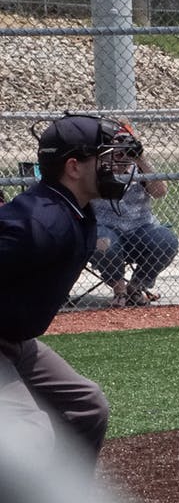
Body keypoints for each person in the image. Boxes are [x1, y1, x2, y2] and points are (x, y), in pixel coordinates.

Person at [0, 114, 138, 473]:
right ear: (73, 167)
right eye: (106, 158)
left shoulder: (74, 211)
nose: (117, 166)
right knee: (30, 433)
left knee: (85, 406)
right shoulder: (40, 222)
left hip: (15, 338)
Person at [90, 122, 179, 307]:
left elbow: (160, 192)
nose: (119, 157)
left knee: (167, 240)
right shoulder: (95, 168)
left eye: (123, 152)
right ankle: (119, 288)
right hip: (105, 230)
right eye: (113, 151)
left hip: (140, 228)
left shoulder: (139, 168)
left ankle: (136, 286)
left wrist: (140, 159)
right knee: (102, 241)